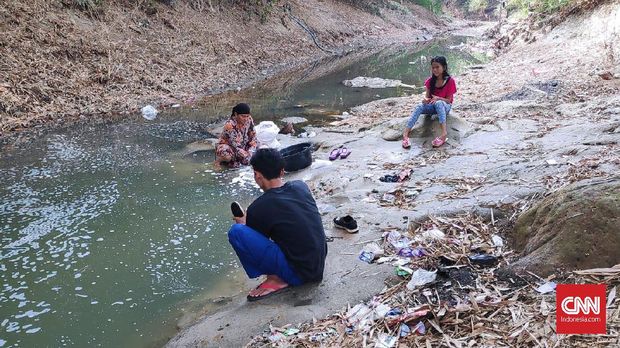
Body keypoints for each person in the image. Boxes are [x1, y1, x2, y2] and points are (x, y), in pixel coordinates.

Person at [227, 149, 327, 301]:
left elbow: (256, 243)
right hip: (318, 265)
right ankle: (283, 274)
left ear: (257, 175)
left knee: (237, 232)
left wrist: (244, 224)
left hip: (300, 275)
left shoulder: (259, 207)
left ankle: (277, 279)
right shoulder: (300, 186)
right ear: (282, 171)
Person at [402, 56, 457, 149]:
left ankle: (443, 134)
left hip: (445, 107)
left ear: (444, 67)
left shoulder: (450, 81)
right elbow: (428, 97)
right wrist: (425, 101)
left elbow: (449, 100)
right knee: (419, 106)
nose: (435, 70)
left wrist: (438, 98)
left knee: (438, 103)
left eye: (437, 67)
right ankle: (406, 134)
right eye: (433, 67)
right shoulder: (430, 81)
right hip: (432, 106)